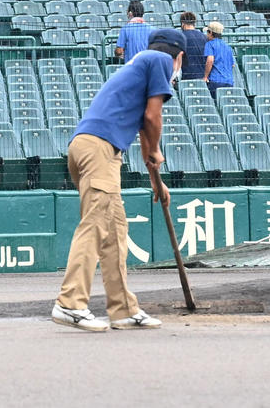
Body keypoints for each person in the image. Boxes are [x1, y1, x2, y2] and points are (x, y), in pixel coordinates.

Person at [52, 28, 182, 333]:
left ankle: (123, 309)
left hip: (92, 148)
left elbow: (142, 131)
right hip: (99, 149)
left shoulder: (139, 66)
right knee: (96, 224)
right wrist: (158, 148)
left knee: (114, 232)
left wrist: (156, 182)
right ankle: (70, 303)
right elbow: (152, 119)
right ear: (180, 56)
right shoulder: (160, 59)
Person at [203, 21, 235, 98]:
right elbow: (232, 65)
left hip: (215, 80)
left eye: (207, 32)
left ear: (210, 32)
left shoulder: (210, 44)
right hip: (229, 81)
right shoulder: (227, 47)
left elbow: (210, 60)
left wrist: (205, 76)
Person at [176, 11, 206, 83]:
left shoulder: (180, 37)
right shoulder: (204, 37)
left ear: (183, 23)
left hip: (187, 77)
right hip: (203, 76)